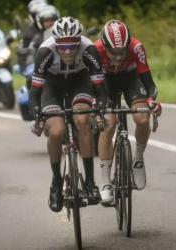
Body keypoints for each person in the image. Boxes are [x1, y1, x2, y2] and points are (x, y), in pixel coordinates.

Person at [29, 16, 108, 213]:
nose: (67, 51)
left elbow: (99, 88)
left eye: (72, 46)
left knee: (82, 120)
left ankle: (90, 183)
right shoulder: (45, 51)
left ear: (79, 42)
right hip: (52, 87)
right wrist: (37, 116)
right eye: (62, 46)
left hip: (80, 84)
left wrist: (100, 110)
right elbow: (35, 93)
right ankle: (56, 184)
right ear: (55, 42)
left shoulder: (89, 49)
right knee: (56, 132)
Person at [94, 19, 162, 203]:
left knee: (142, 118)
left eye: (122, 52)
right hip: (105, 83)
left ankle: (138, 159)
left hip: (131, 80)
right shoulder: (95, 50)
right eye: (113, 53)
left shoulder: (136, 47)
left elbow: (149, 83)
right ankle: (106, 182)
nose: (118, 57)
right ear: (105, 45)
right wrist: (95, 108)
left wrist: (151, 101)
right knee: (107, 126)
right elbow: (91, 85)